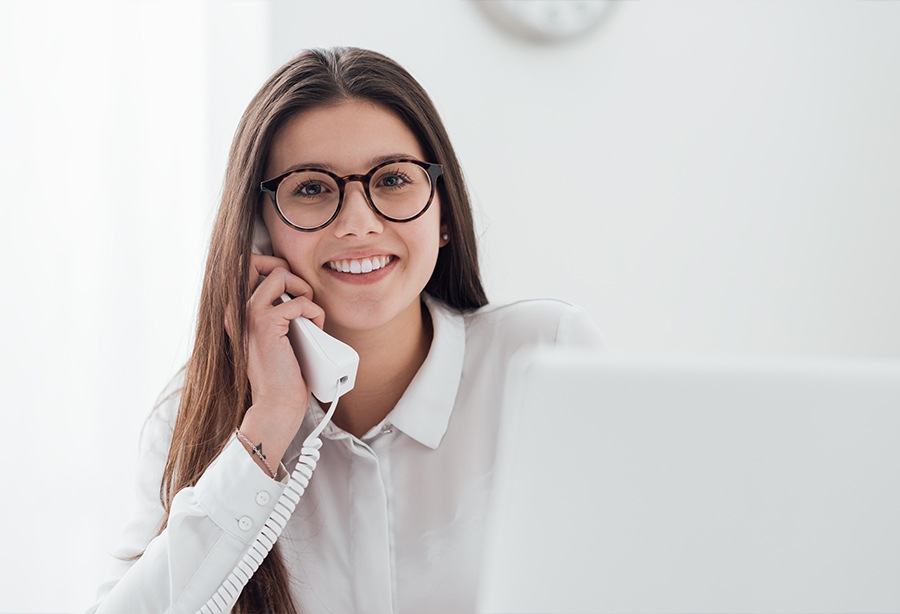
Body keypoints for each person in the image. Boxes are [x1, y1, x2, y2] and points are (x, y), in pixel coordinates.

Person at [85, 46, 604, 614]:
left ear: (446, 214)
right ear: (259, 233)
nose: (358, 222)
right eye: (311, 188)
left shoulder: (545, 356)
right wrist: (269, 428)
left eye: (394, 180)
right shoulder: (195, 409)